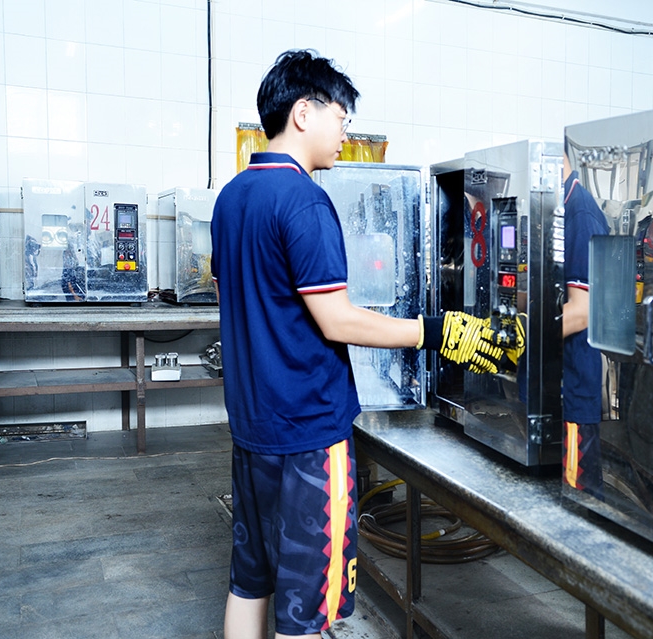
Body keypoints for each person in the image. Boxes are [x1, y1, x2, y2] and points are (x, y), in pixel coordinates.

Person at [210, 49, 507, 639]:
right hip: (308, 435)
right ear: (303, 113)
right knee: (306, 611)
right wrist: (435, 332)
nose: (346, 132)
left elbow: (236, 297)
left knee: (250, 582)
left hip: (252, 429)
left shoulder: (232, 197)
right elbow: (337, 320)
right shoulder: (304, 200)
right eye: (341, 117)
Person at [561, 149, 610, 500]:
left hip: (575, 385)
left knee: (580, 501)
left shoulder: (581, 213)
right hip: (558, 382)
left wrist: (524, 335)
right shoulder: (560, 209)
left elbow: (581, 312)